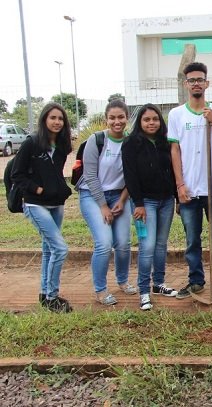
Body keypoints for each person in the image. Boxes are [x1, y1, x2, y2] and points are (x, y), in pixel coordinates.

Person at [168, 62, 212, 299]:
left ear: (207, 83)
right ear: (186, 84)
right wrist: (179, 185)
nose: (196, 83)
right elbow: (175, 151)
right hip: (189, 188)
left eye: (200, 79)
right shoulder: (176, 114)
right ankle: (196, 281)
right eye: (192, 80)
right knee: (191, 239)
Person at [11, 103, 73, 313]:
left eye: (60, 118)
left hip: (56, 204)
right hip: (35, 204)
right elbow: (17, 174)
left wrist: (60, 190)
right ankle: (53, 297)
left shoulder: (62, 146)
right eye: (52, 118)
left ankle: (44, 294)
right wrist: (36, 189)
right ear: (44, 119)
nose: (57, 122)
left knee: (48, 249)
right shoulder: (32, 143)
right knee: (60, 248)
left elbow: (56, 173)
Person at [77, 99, 137, 306]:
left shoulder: (131, 142)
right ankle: (100, 290)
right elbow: (90, 176)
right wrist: (103, 206)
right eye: (112, 118)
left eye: (121, 117)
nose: (116, 122)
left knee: (123, 243)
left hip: (120, 196)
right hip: (92, 196)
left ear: (127, 118)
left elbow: (133, 176)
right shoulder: (96, 140)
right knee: (104, 243)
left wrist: (122, 200)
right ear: (106, 119)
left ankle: (123, 280)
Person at [122, 103, 178, 311]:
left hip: (166, 201)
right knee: (147, 246)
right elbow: (130, 175)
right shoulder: (131, 143)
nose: (151, 123)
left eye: (155, 119)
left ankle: (159, 283)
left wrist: (177, 198)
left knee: (161, 244)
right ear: (140, 122)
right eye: (146, 120)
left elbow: (173, 170)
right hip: (144, 203)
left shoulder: (165, 141)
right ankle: (144, 290)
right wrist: (138, 203)